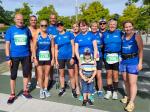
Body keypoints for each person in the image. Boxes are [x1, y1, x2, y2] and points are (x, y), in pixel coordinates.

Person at [5, 13, 32, 104]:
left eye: (22, 19)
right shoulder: (10, 30)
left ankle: (25, 91)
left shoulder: (26, 29)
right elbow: (7, 45)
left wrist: (32, 54)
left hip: (26, 55)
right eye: (18, 19)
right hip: (14, 56)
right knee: (13, 76)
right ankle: (12, 94)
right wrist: (8, 58)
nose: (20, 21)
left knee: (25, 74)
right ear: (14, 20)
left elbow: (30, 42)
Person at [119, 21, 143, 112]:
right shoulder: (122, 36)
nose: (128, 28)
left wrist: (140, 63)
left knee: (132, 83)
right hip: (123, 62)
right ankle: (128, 97)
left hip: (133, 62)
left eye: (129, 26)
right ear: (123, 28)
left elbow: (140, 50)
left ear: (132, 27)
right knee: (125, 81)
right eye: (126, 27)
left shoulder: (136, 36)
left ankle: (131, 102)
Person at [75, 20, 98, 101]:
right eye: (81, 26)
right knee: (82, 76)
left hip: (90, 58)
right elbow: (76, 50)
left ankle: (90, 94)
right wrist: (79, 60)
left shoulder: (92, 35)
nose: (83, 27)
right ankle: (83, 94)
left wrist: (94, 59)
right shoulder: (78, 37)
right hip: (81, 58)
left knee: (91, 75)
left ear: (87, 26)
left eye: (84, 25)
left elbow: (95, 48)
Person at [32, 20, 54, 99]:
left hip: (48, 57)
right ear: (40, 26)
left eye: (45, 25)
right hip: (39, 57)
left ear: (47, 26)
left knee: (47, 74)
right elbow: (33, 47)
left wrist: (53, 59)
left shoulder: (50, 36)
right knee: (40, 75)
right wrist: (34, 58)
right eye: (42, 25)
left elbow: (52, 47)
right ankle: (41, 90)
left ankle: (45, 89)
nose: (44, 27)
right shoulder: (37, 36)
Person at [54, 21, 77, 98]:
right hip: (60, 58)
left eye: (61, 25)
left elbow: (73, 45)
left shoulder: (69, 34)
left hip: (69, 57)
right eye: (58, 26)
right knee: (62, 74)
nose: (59, 27)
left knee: (71, 75)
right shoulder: (56, 37)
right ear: (57, 27)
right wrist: (56, 60)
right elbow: (56, 49)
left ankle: (73, 89)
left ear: (63, 26)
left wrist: (73, 57)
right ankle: (62, 88)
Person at [102, 19, 122, 100]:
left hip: (117, 56)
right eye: (110, 24)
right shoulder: (105, 34)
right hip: (108, 56)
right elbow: (102, 45)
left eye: (114, 24)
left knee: (115, 75)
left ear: (116, 25)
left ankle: (115, 92)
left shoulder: (120, 33)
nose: (112, 26)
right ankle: (109, 91)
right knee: (109, 74)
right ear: (108, 25)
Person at [90, 21, 104, 98]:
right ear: (90, 27)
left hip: (99, 57)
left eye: (96, 26)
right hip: (90, 58)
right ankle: (91, 89)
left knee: (98, 75)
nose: (94, 27)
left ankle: (100, 90)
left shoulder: (101, 35)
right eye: (93, 26)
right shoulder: (88, 34)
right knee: (91, 74)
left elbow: (103, 44)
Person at [47, 14, 58, 87]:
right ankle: (50, 79)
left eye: (54, 18)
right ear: (50, 19)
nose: (53, 19)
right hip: (49, 49)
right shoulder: (46, 28)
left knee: (59, 65)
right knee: (50, 66)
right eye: (51, 18)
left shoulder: (59, 27)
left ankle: (61, 81)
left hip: (58, 49)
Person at [28, 15, 39, 88]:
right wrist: (32, 53)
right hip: (28, 51)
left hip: (37, 51)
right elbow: (30, 42)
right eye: (32, 20)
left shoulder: (38, 30)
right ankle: (29, 81)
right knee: (28, 68)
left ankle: (38, 81)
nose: (33, 21)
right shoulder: (27, 29)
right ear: (29, 21)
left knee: (37, 67)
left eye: (34, 20)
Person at [72, 23, 80, 95]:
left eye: (76, 26)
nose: (75, 28)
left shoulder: (82, 34)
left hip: (82, 56)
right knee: (76, 73)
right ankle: (77, 86)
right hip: (74, 57)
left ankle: (85, 87)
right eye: (74, 27)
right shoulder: (70, 35)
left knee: (84, 72)